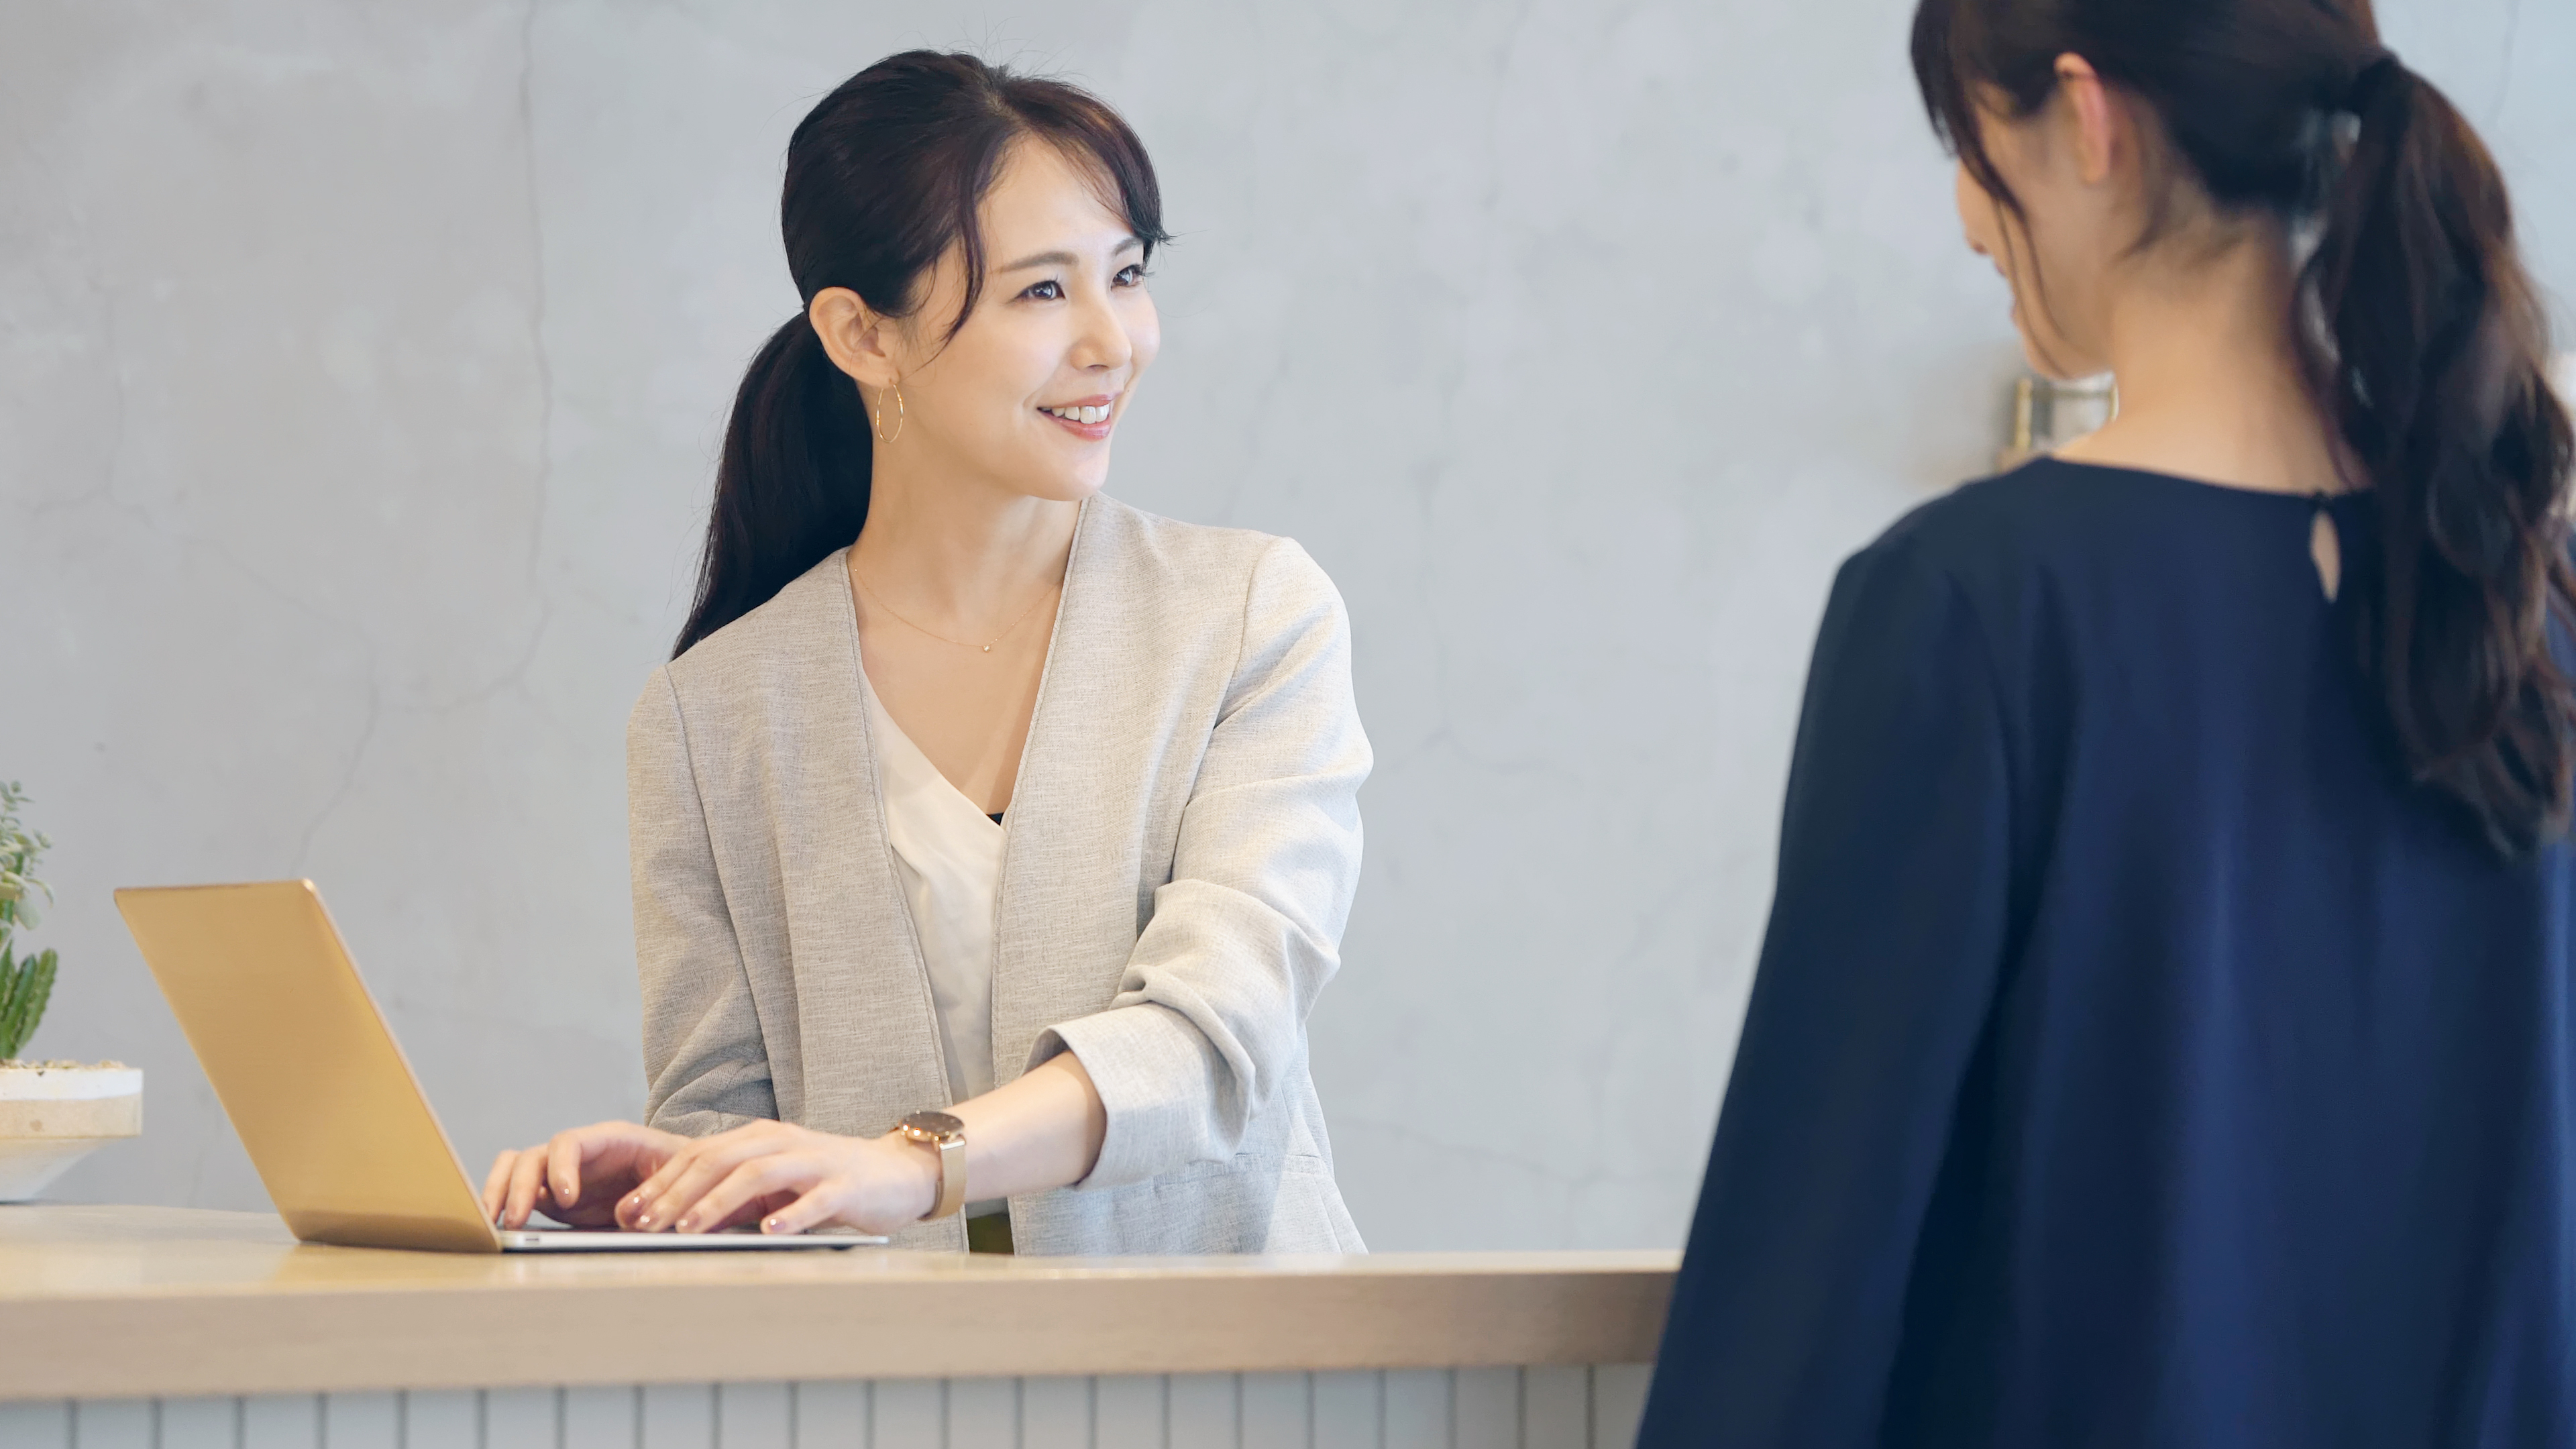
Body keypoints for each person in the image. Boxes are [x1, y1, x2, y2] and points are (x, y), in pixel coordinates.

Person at [1642, 1, 2575, 1442]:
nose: (1966, 216)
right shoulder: (2530, 604)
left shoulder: (1970, 609)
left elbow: (1798, 1306)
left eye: (1968, 142)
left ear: (2086, 119)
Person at [478, 52, 1369, 1255]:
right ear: (861, 335)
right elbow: (733, 1129)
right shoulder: (709, 716)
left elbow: (1218, 1033)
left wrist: (915, 1163)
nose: (1115, 342)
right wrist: (671, 1185)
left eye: (1127, 276)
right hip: (893, 1393)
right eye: (1042, 294)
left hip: (1230, 1376)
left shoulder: (1252, 615)